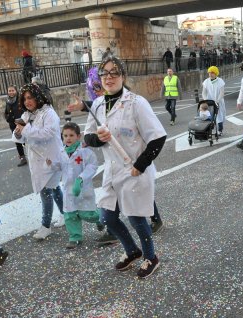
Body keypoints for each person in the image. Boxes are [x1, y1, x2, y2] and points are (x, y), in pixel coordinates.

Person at [84, 56, 167, 278]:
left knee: (136, 217)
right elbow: (87, 135)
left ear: (123, 76)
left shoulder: (136, 103)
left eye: (114, 73)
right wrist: (98, 139)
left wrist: (140, 166)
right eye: (105, 73)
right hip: (111, 170)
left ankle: (151, 257)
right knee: (107, 217)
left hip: (134, 170)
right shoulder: (98, 104)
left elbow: (158, 137)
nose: (109, 77)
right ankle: (132, 250)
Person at [12, 83, 65, 239]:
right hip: (36, 159)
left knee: (46, 191)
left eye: (31, 97)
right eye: (25, 98)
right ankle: (66, 214)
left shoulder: (49, 113)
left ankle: (45, 225)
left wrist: (26, 130)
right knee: (54, 189)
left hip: (50, 158)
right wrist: (18, 133)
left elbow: (47, 134)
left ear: (38, 97)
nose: (28, 101)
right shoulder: (26, 115)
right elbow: (20, 138)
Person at [52, 122, 102, 249]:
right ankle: (75, 237)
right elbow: (59, 166)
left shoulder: (85, 152)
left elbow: (92, 166)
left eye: (71, 135)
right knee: (70, 215)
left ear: (78, 136)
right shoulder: (62, 152)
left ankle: (100, 218)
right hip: (68, 190)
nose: (68, 138)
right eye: (65, 136)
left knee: (88, 214)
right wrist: (51, 164)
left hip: (83, 189)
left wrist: (81, 178)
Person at [4, 85, 27, 167]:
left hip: (22, 123)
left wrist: (22, 120)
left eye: (12, 90)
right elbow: (6, 112)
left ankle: (33, 155)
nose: (11, 92)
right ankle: (22, 158)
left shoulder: (20, 99)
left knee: (26, 140)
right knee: (17, 141)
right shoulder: (7, 100)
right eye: (9, 90)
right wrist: (8, 118)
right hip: (12, 124)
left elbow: (25, 110)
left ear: (16, 91)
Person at [202, 66, 226, 136]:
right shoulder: (206, 82)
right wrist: (205, 100)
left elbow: (222, 93)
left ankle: (220, 130)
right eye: (209, 72)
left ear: (215, 73)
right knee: (209, 116)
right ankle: (209, 130)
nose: (210, 74)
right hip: (209, 102)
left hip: (218, 101)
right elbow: (204, 92)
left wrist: (217, 100)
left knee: (219, 116)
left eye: (212, 73)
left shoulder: (220, 81)